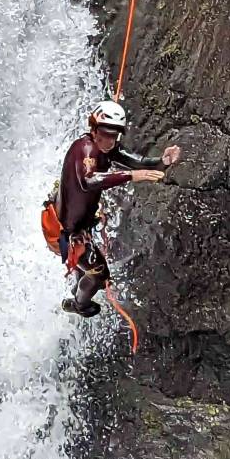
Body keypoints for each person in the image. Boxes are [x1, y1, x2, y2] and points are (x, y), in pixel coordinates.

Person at [55, 100, 182, 317]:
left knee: (87, 269)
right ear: (94, 130)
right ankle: (78, 304)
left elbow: (139, 162)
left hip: (79, 225)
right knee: (98, 273)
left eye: (115, 135)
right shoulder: (85, 149)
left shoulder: (110, 148)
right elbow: (89, 180)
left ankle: (77, 289)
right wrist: (130, 176)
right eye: (105, 133)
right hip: (65, 229)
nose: (109, 140)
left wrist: (163, 161)